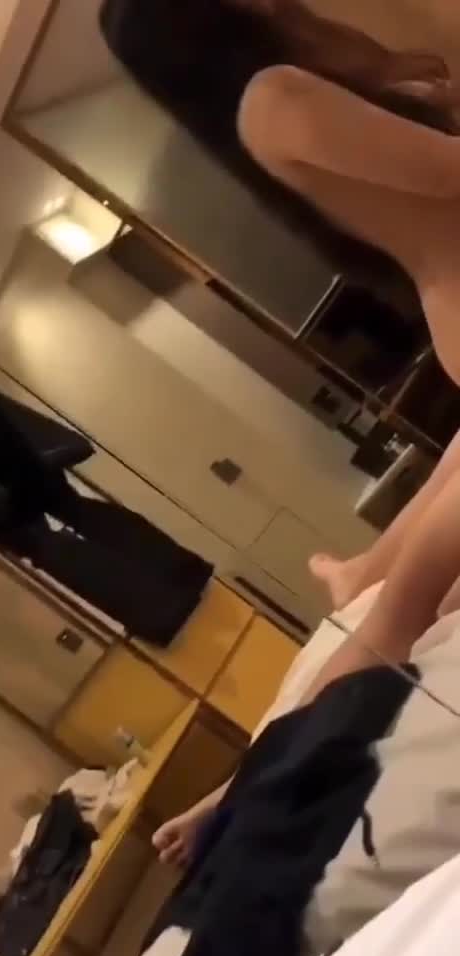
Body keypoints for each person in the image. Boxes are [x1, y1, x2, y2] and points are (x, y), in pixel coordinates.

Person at [103, 0, 460, 694]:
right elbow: (449, 172)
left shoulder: (271, 97)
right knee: (409, 605)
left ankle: (367, 574)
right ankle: (366, 644)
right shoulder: (274, 97)